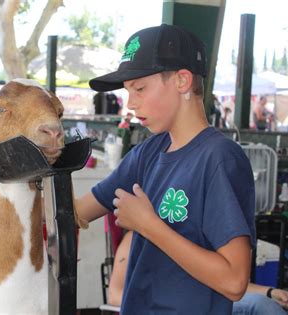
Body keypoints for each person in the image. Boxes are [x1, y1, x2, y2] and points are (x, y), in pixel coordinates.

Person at [75, 24, 256, 313]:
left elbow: (234, 281)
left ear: (182, 81)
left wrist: (148, 226)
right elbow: (78, 212)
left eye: (140, 88)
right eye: (127, 92)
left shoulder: (219, 158)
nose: (131, 104)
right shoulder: (148, 153)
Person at [108, 230, 288, 315]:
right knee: (259, 306)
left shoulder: (184, 237)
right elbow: (115, 295)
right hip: (173, 308)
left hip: (207, 301)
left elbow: (227, 282)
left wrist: (269, 291)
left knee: (263, 304)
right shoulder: (134, 239)